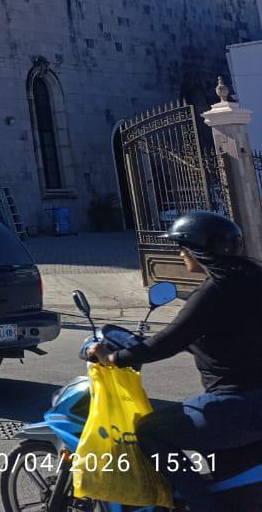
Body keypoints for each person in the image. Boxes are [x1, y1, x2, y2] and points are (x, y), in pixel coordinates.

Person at [88, 211, 262, 512]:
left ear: (198, 250)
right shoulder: (251, 282)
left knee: (149, 430)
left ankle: (198, 505)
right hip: (252, 405)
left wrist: (114, 357)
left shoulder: (213, 292)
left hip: (236, 406)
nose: (179, 254)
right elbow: (227, 339)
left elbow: (169, 340)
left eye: (181, 247)